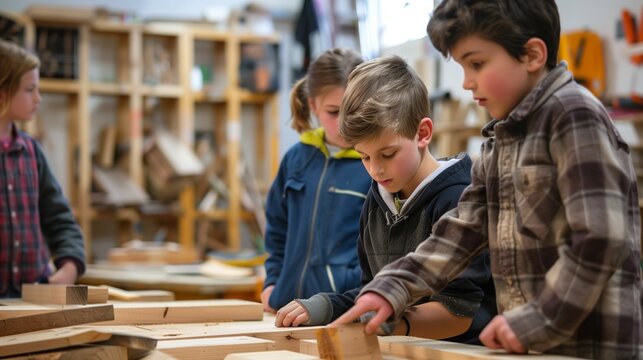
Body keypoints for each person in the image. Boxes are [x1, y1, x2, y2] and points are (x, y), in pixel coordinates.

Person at [332, 1, 642, 358]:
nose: (466, 82)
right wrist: (390, 288)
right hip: (533, 347)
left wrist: (533, 321)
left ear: (532, 54)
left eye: (476, 64)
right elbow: (460, 232)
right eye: (463, 67)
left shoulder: (573, 117)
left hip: (589, 348)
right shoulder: (499, 142)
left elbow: (600, 240)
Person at [274, 55, 496, 344]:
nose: (375, 169)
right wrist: (326, 306)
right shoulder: (379, 197)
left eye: (388, 154)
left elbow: (459, 313)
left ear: (423, 133)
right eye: (364, 156)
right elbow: (375, 292)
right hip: (404, 349)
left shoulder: (458, 198)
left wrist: (392, 323)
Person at [261, 48, 371, 312]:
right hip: (285, 306)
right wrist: (273, 281)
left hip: (342, 309)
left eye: (353, 110)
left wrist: (351, 287)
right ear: (313, 105)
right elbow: (277, 227)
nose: (345, 123)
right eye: (334, 112)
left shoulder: (375, 164)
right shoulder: (296, 159)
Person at [0, 40, 86, 298]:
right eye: (30, 89)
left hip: (33, 299)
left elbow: (59, 218)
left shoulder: (32, 152)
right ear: (2, 92)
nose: (38, 98)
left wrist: (69, 267)